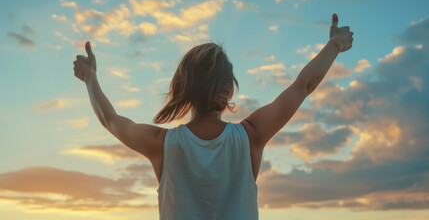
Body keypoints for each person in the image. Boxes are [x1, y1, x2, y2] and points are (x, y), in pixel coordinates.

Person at [73, 13, 353, 220]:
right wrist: (334, 46)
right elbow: (302, 86)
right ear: (230, 90)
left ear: (181, 89)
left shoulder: (163, 143)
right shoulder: (250, 135)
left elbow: (110, 119)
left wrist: (90, 79)